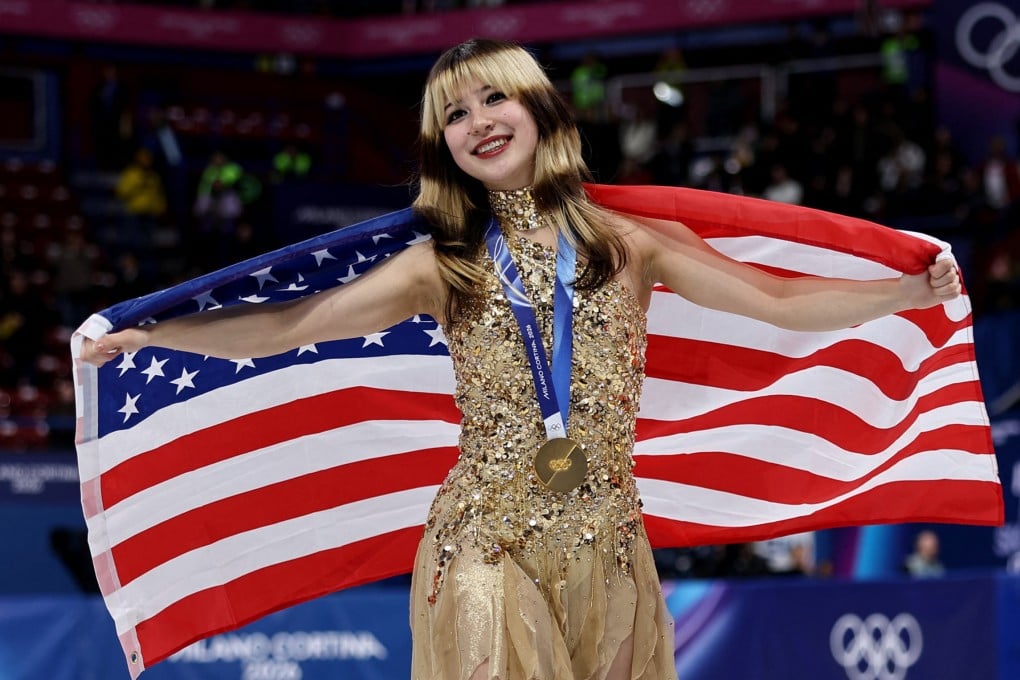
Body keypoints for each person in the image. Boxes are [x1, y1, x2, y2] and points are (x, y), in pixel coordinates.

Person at [80, 38, 962, 680]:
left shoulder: (630, 243)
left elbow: (773, 299)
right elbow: (291, 325)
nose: (476, 123)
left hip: (614, 550)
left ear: (539, 110)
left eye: (492, 100)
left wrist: (906, 295)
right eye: (453, 116)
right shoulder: (444, 263)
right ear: (444, 150)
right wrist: (153, 336)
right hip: (484, 545)